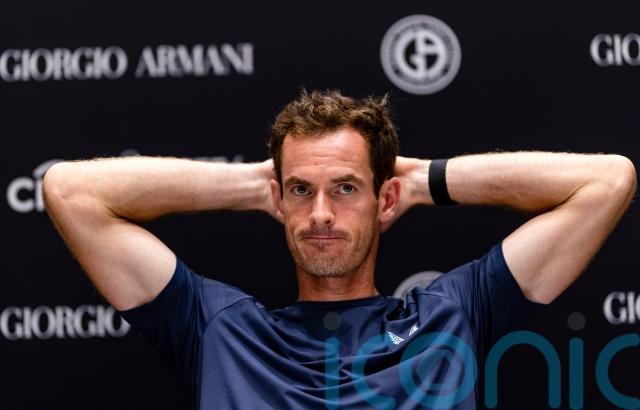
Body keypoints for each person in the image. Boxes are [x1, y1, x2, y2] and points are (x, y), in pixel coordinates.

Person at [43, 90, 636, 410]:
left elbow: (608, 181)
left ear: (385, 200)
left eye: (347, 189)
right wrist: (257, 186)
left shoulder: (452, 315)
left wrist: (422, 182)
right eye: (302, 190)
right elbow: (70, 191)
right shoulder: (218, 329)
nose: (321, 213)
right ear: (280, 199)